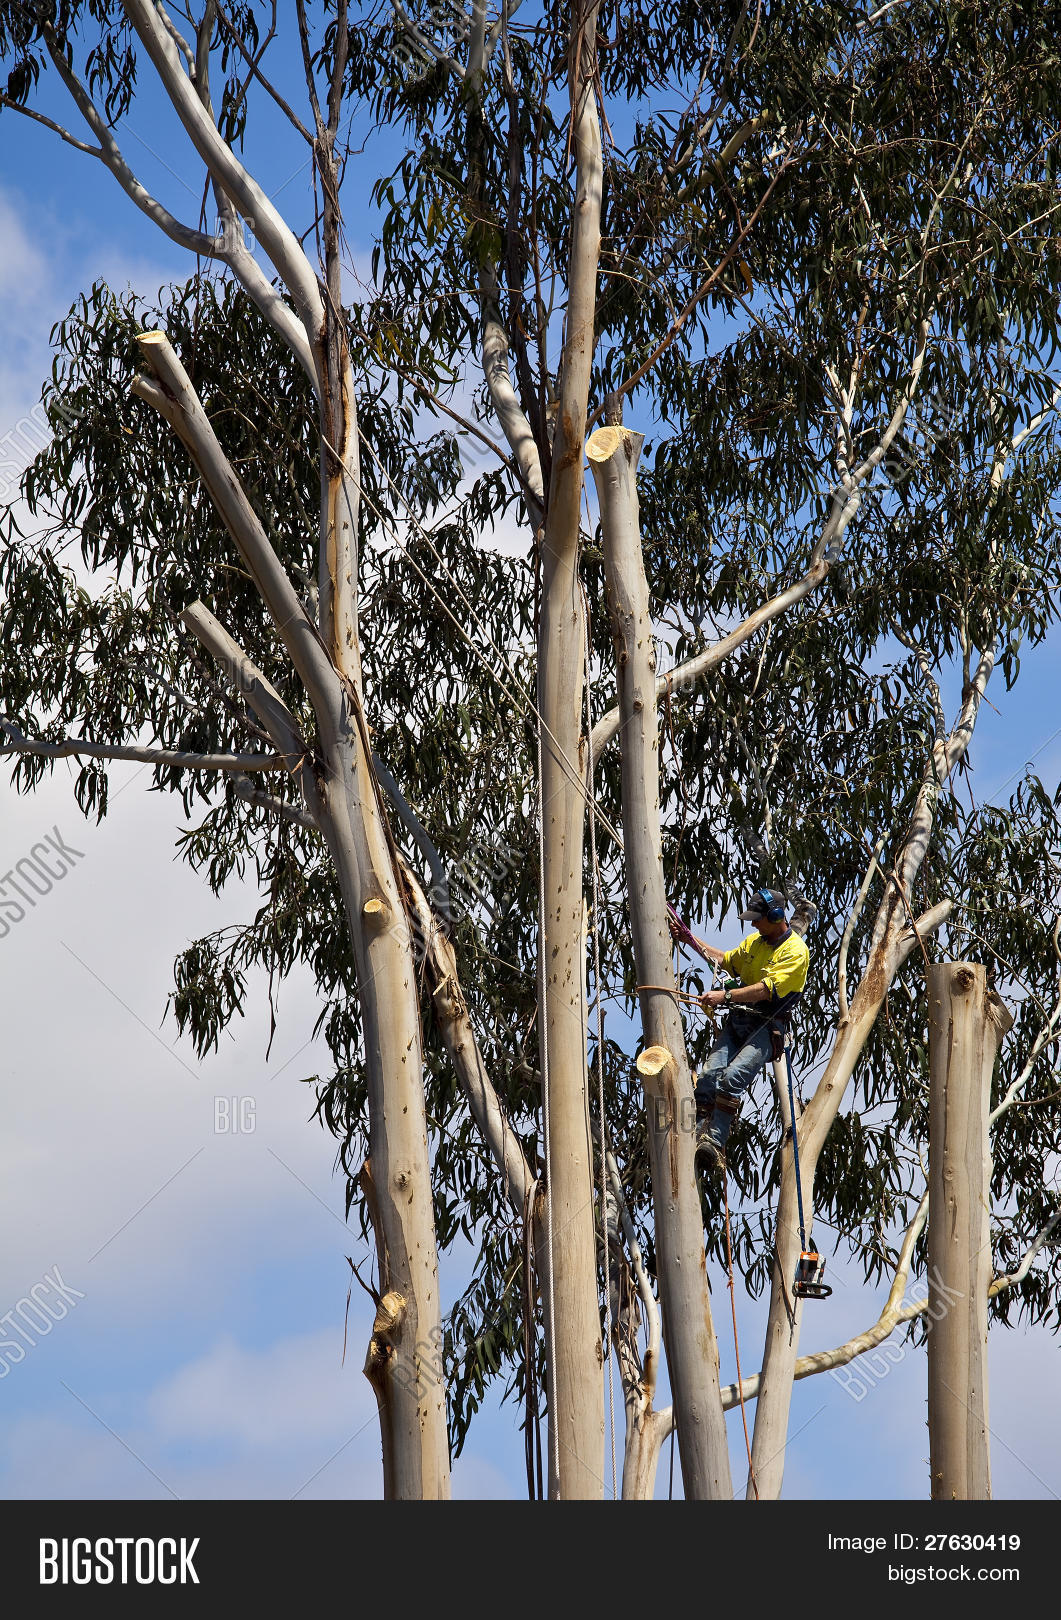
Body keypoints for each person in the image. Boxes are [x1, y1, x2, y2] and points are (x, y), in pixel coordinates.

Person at [669, 888, 809, 1171]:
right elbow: (726, 960)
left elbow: (766, 991)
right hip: (739, 1022)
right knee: (708, 1076)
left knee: (732, 1078)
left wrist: (725, 996)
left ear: (777, 915)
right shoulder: (754, 944)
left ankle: (714, 1145)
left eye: (758, 919)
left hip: (767, 1028)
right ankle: (696, 1135)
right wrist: (690, 939)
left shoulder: (795, 952)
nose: (753, 924)